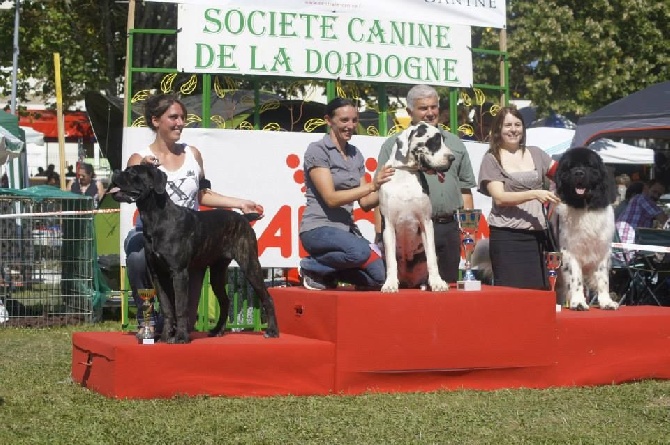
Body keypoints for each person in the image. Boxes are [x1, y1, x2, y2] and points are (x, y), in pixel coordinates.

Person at [124, 93, 263, 336]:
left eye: (183, 117)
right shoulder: (139, 158)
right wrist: (144, 170)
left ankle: (173, 323)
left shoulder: (193, 154)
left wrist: (239, 203)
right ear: (156, 121)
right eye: (173, 117)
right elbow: (128, 193)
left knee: (184, 327)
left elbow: (202, 195)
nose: (180, 123)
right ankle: (146, 317)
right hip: (153, 235)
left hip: (188, 239)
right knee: (136, 256)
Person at [376, 84, 477, 283]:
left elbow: (465, 189)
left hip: (449, 228)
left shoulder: (454, 143)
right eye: (423, 108)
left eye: (434, 107)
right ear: (409, 112)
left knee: (446, 291)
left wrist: (468, 231)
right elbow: (382, 191)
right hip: (409, 234)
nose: (430, 113)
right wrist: (381, 235)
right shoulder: (394, 145)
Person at [299, 97, 394, 290]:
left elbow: (366, 203)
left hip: (346, 232)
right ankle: (310, 266)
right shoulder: (317, 150)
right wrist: (372, 185)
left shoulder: (355, 154)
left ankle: (328, 273)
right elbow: (331, 199)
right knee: (359, 252)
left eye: (354, 120)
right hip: (318, 229)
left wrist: (389, 185)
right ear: (328, 120)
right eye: (344, 120)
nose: (350, 125)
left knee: (381, 278)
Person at [477, 106, 560, 289]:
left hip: (538, 236)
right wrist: (534, 194)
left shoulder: (537, 153)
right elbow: (500, 197)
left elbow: (563, 174)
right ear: (498, 129)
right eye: (507, 125)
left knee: (540, 292)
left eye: (517, 124)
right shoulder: (491, 159)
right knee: (511, 295)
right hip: (507, 237)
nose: (513, 129)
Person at [615, 179, 668, 246]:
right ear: (646, 188)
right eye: (654, 192)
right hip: (628, 242)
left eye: (659, 194)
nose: (656, 196)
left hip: (623, 242)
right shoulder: (642, 199)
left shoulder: (637, 199)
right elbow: (664, 220)